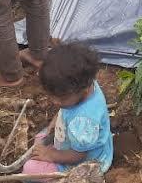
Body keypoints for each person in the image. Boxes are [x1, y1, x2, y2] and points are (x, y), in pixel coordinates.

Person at [23, 43, 113, 178]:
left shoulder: (84, 120)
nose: (55, 102)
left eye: (61, 99)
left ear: (84, 89)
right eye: (51, 95)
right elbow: (66, 106)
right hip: (75, 140)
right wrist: (57, 118)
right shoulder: (85, 81)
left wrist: (51, 155)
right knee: (41, 138)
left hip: (85, 160)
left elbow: (79, 155)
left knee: (30, 169)